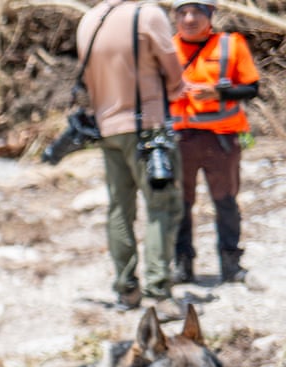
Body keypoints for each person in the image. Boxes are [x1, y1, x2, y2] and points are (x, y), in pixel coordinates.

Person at [77, 0, 187, 319]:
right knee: (162, 205)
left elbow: (89, 81)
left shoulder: (89, 20)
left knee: (119, 209)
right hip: (146, 127)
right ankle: (159, 293)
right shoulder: (147, 15)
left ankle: (126, 289)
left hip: (107, 128)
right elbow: (174, 75)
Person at [169, 0, 260, 284]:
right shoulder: (166, 49)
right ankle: (183, 265)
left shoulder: (230, 45)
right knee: (180, 205)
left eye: (196, 12)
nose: (189, 18)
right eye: (182, 13)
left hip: (221, 140)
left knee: (225, 202)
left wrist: (219, 93)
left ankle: (231, 264)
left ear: (210, 15)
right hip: (180, 140)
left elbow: (251, 88)